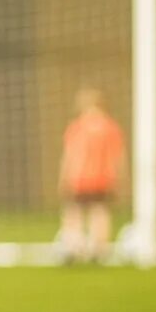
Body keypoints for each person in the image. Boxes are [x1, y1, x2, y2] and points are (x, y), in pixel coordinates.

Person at [58, 88, 125, 263]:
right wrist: (119, 178)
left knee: (74, 212)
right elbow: (117, 156)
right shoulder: (110, 127)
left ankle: (72, 247)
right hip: (102, 178)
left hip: (80, 178)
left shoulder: (77, 126)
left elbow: (69, 155)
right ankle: (99, 249)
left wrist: (64, 177)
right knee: (100, 211)